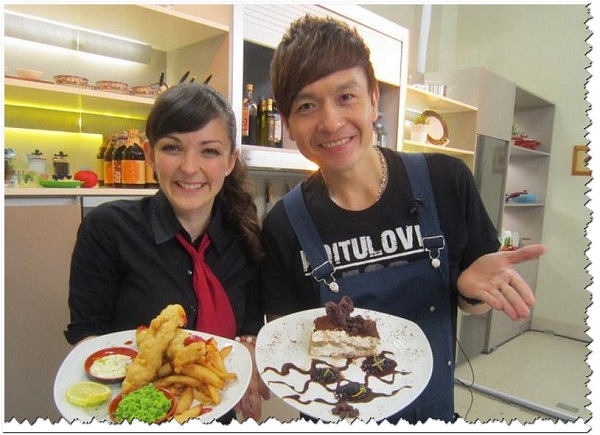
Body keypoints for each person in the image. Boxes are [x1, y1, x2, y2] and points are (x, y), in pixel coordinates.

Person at [260, 14, 546, 424]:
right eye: (307, 106)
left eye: (346, 96)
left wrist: (470, 291)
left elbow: (475, 306)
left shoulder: (445, 181)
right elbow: (290, 344)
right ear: (288, 124)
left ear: (374, 99)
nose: (331, 122)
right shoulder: (283, 225)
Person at [65, 83, 269, 421]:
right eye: (173, 147)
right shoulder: (107, 229)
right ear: (149, 155)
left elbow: (249, 327)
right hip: (133, 415)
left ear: (230, 161)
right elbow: (86, 337)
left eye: (209, 151)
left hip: (216, 411)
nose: (189, 167)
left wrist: (249, 350)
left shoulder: (245, 237)